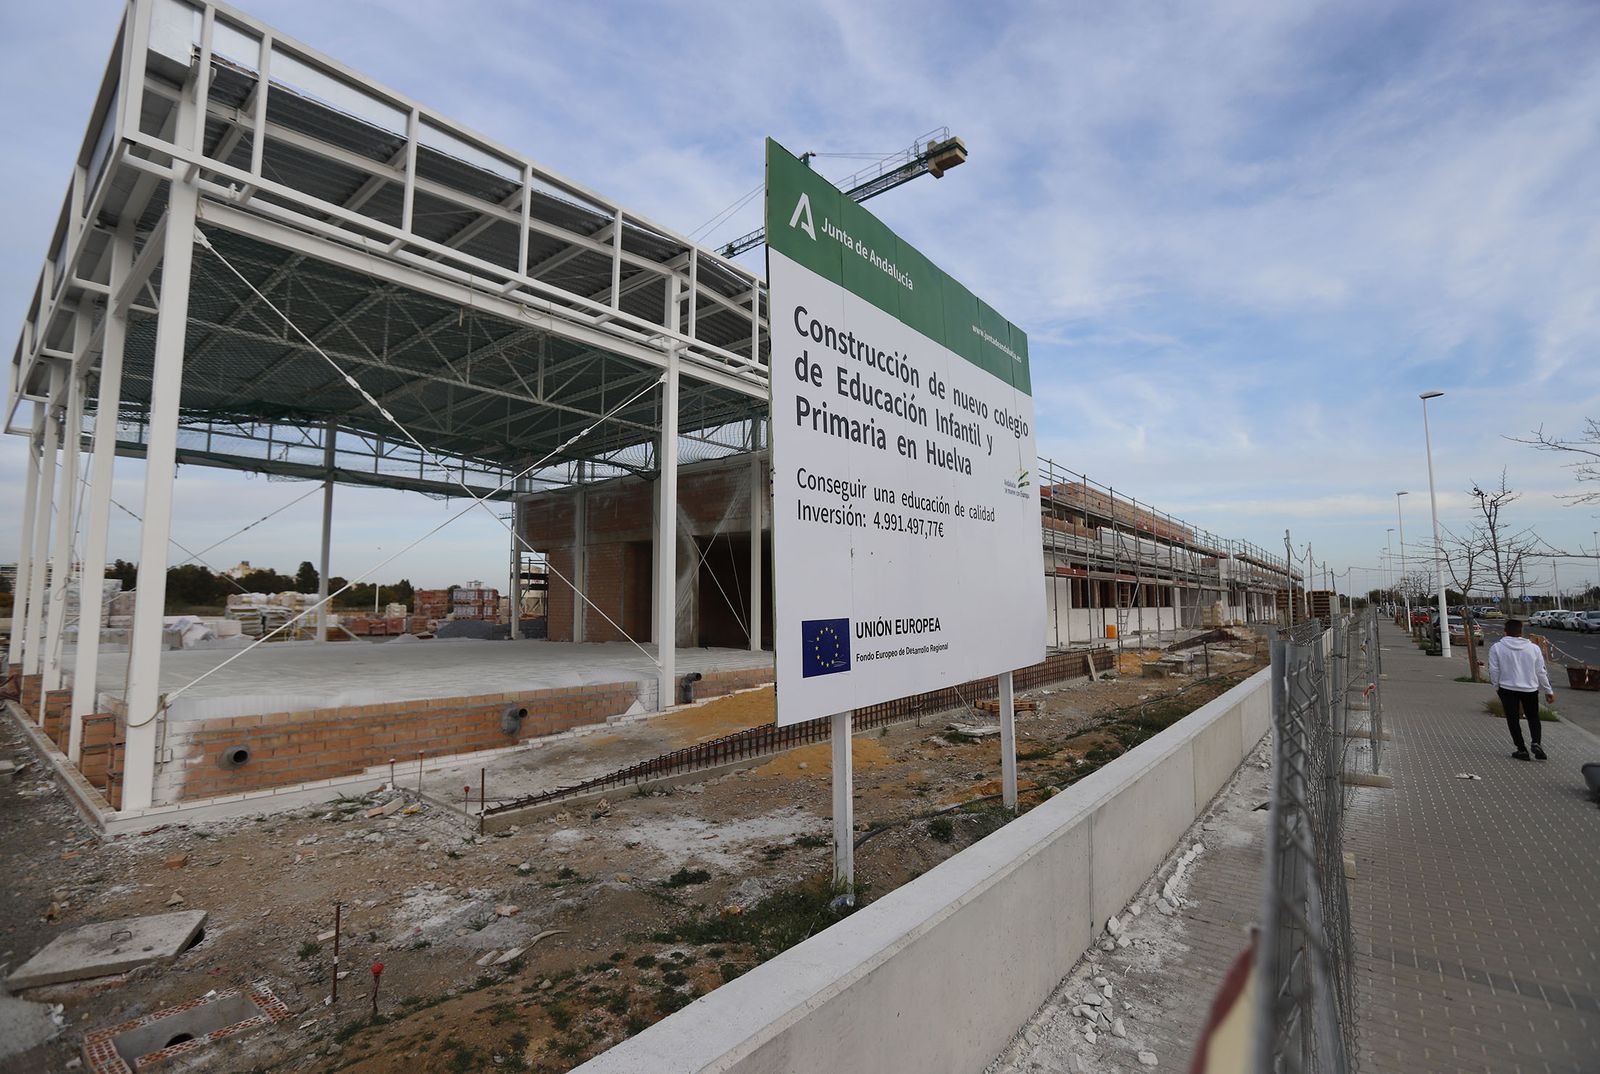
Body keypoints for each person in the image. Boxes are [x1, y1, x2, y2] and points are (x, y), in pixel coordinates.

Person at [1486, 618, 1554, 760]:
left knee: (1513, 719)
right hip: (1530, 689)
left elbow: (1494, 670)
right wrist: (1548, 690)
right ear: (1521, 631)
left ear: (1505, 632)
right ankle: (1536, 742)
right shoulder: (1534, 648)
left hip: (1507, 688)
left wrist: (1496, 686)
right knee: (1533, 717)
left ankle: (1521, 749)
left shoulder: (1497, 648)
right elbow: (1541, 671)